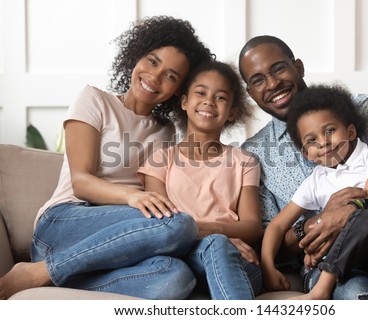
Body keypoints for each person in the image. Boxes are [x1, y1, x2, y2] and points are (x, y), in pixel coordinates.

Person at [0, 16, 215, 300]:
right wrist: (132, 197)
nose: (155, 76)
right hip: (63, 223)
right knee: (179, 224)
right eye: (152, 61)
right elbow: (81, 182)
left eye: (171, 76)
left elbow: (159, 200)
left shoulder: (166, 131)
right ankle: (39, 271)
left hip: (114, 241)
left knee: (176, 278)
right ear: (137, 55)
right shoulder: (94, 100)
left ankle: (58, 276)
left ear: (179, 91)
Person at [239, 35, 368, 299]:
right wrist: (321, 221)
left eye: (279, 68)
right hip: (335, 266)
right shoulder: (255, 153)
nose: (272, 84)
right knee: (358, 295)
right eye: (258, 80)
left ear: (299, 67)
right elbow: (272, 236)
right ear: (250, 92)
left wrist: (353, 211)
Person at [137, 60, 263, 299]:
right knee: (214, 246)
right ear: (184, 101)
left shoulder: (245, 161)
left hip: (238, 263)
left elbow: (252, 226)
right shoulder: (160, 160)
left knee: (218, 246)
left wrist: (217, 235)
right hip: (184, 260)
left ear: (232, 112)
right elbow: (162, 226)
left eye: (221, 98)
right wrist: (220, 236)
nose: (209, 102)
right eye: (201, 93)